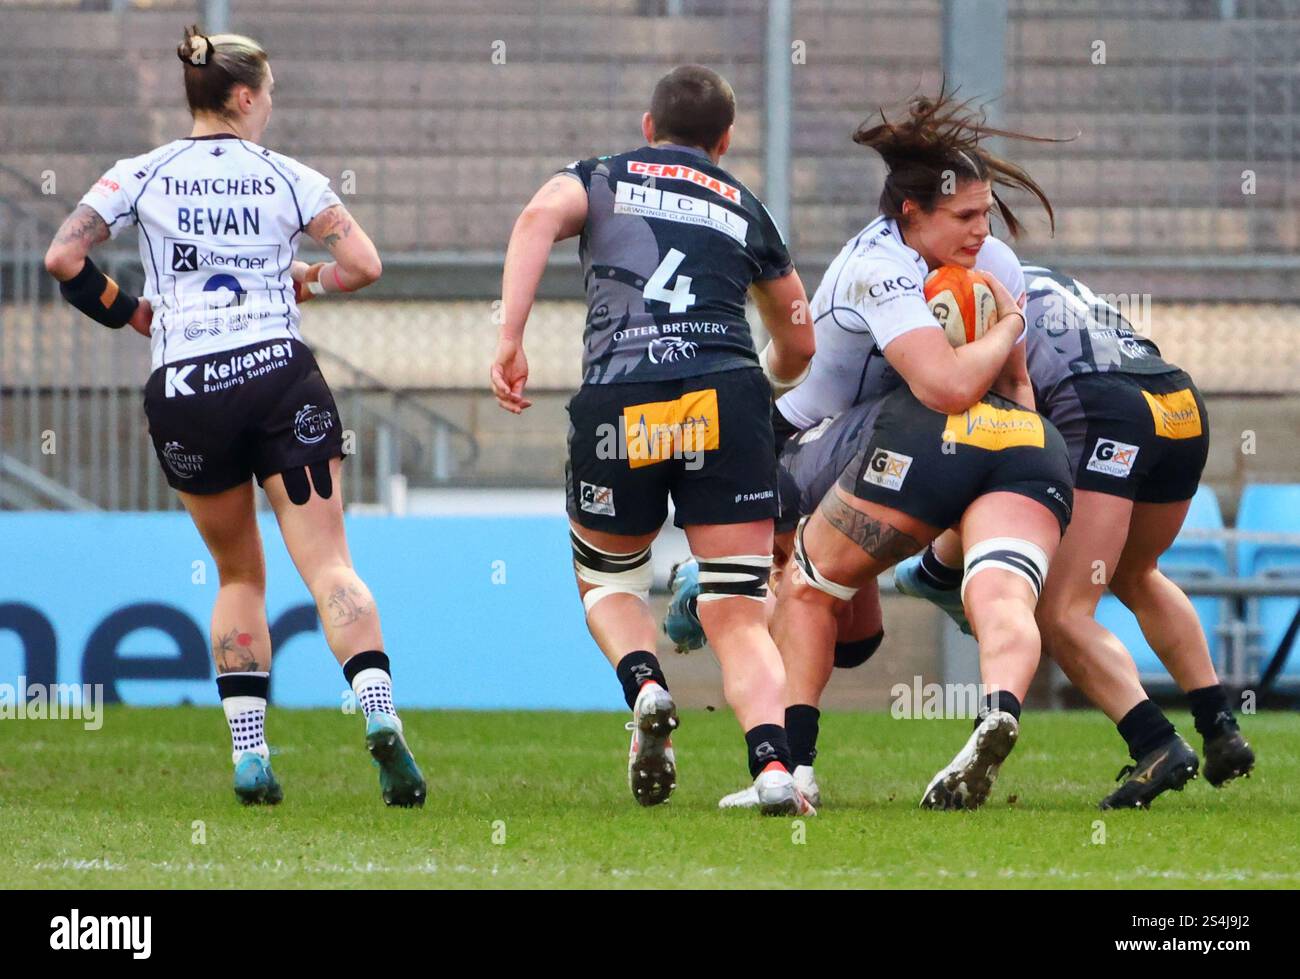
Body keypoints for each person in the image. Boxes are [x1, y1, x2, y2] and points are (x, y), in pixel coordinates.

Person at [43, 26, 425, 807]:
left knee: (239, 572)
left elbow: (62, 258)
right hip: (279, 374)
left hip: (186, 388)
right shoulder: (287, 176)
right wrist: (307, 282)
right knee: (328, 566)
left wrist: (137, 315)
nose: (273, 105)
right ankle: (379, 714)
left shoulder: (139, 173)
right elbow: (366, 265)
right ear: (245, 96)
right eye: (271, 92)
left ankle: (250, 754)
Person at [678, 93, 1075, 810]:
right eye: (964, 217)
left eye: (986, 214)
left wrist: (998, 472)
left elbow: (1004, 391)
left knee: (823, 605)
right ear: (909, 216)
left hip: (900, 443)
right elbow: (953, 383)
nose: (981, 233)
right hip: (796, 443)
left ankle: (795, 766)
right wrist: (1010, 327)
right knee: (843, 621)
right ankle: (709, 577)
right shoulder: (878, 267)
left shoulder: (995, 262)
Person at [492, 65, 816, 814]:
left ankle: (644, 684)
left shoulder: (601, 176)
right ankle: (772, 769)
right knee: (736, 608)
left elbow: (537, 215)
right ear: (726, 140)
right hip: (726, 394)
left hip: (622, 393)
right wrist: (760, 381)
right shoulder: (745, 204)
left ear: (649, 126)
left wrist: (511, 336)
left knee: (610, 582)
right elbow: (800, 336)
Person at [893, 263, 1254, 807]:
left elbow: (1008, 447)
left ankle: (1156, 743)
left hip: (1106, 408)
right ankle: (1220, 725)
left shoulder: (958, 290)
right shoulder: (1038, 275)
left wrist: (937, 562)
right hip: (1174, 397)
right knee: (1136, 574)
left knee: (1060, 613)